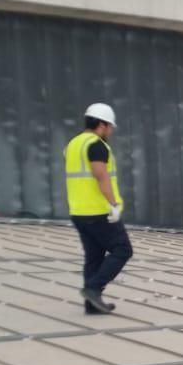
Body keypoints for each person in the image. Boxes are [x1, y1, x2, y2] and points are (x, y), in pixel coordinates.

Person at [64, 103, 133, 314]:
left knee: (94, 257)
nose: (110, 131)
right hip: (98, 212)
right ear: (101, 125)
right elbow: (100, 175)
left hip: (78, 211)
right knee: (122, 250)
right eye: (110, 127)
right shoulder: (96, 145)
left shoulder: (73, 144)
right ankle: (93, 289)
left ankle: (91, 305)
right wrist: (114, 205)